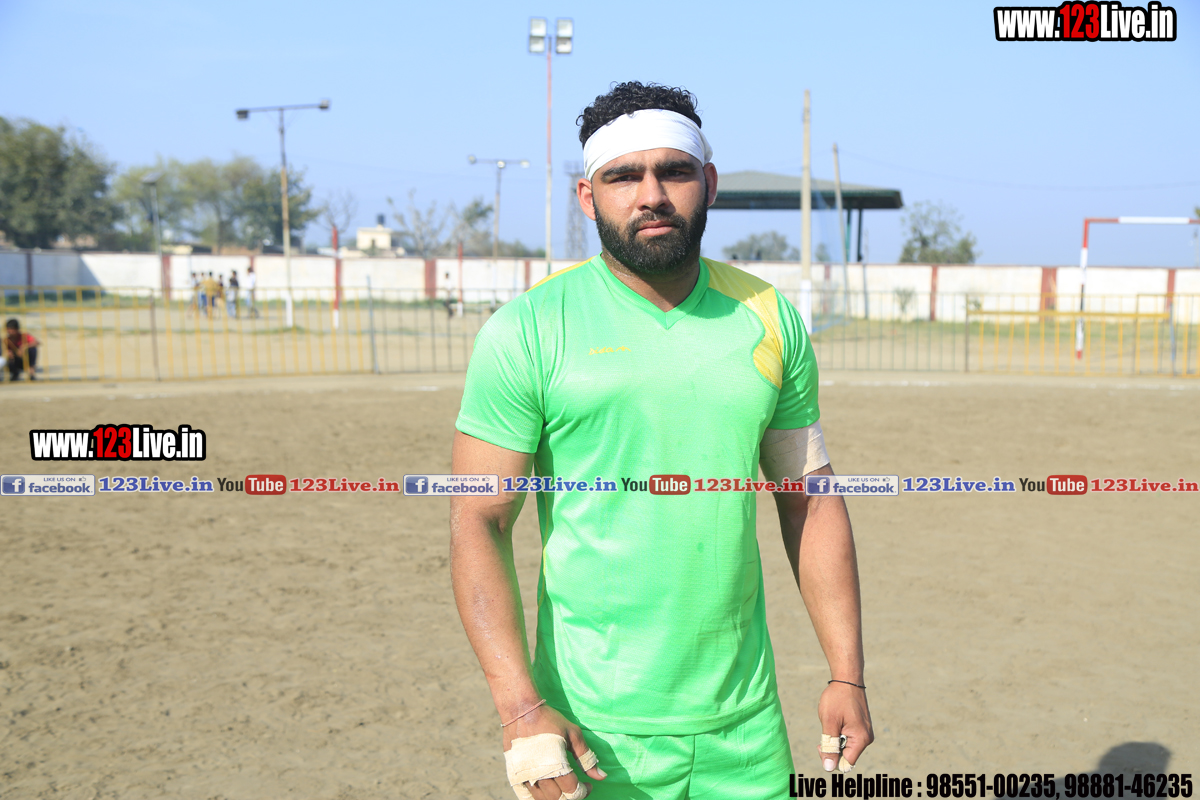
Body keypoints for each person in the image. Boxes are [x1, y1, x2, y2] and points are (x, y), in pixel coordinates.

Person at [451, 82, 872, 800]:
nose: (651, 195)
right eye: (623, 176)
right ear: (588, 197)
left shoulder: (769, 317)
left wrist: (847, 673)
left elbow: (809, 499)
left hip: (747, 732)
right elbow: (478, 519)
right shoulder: (527, 329)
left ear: (708, 183)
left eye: (673, 171)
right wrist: (520, 709)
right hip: (592, 734)